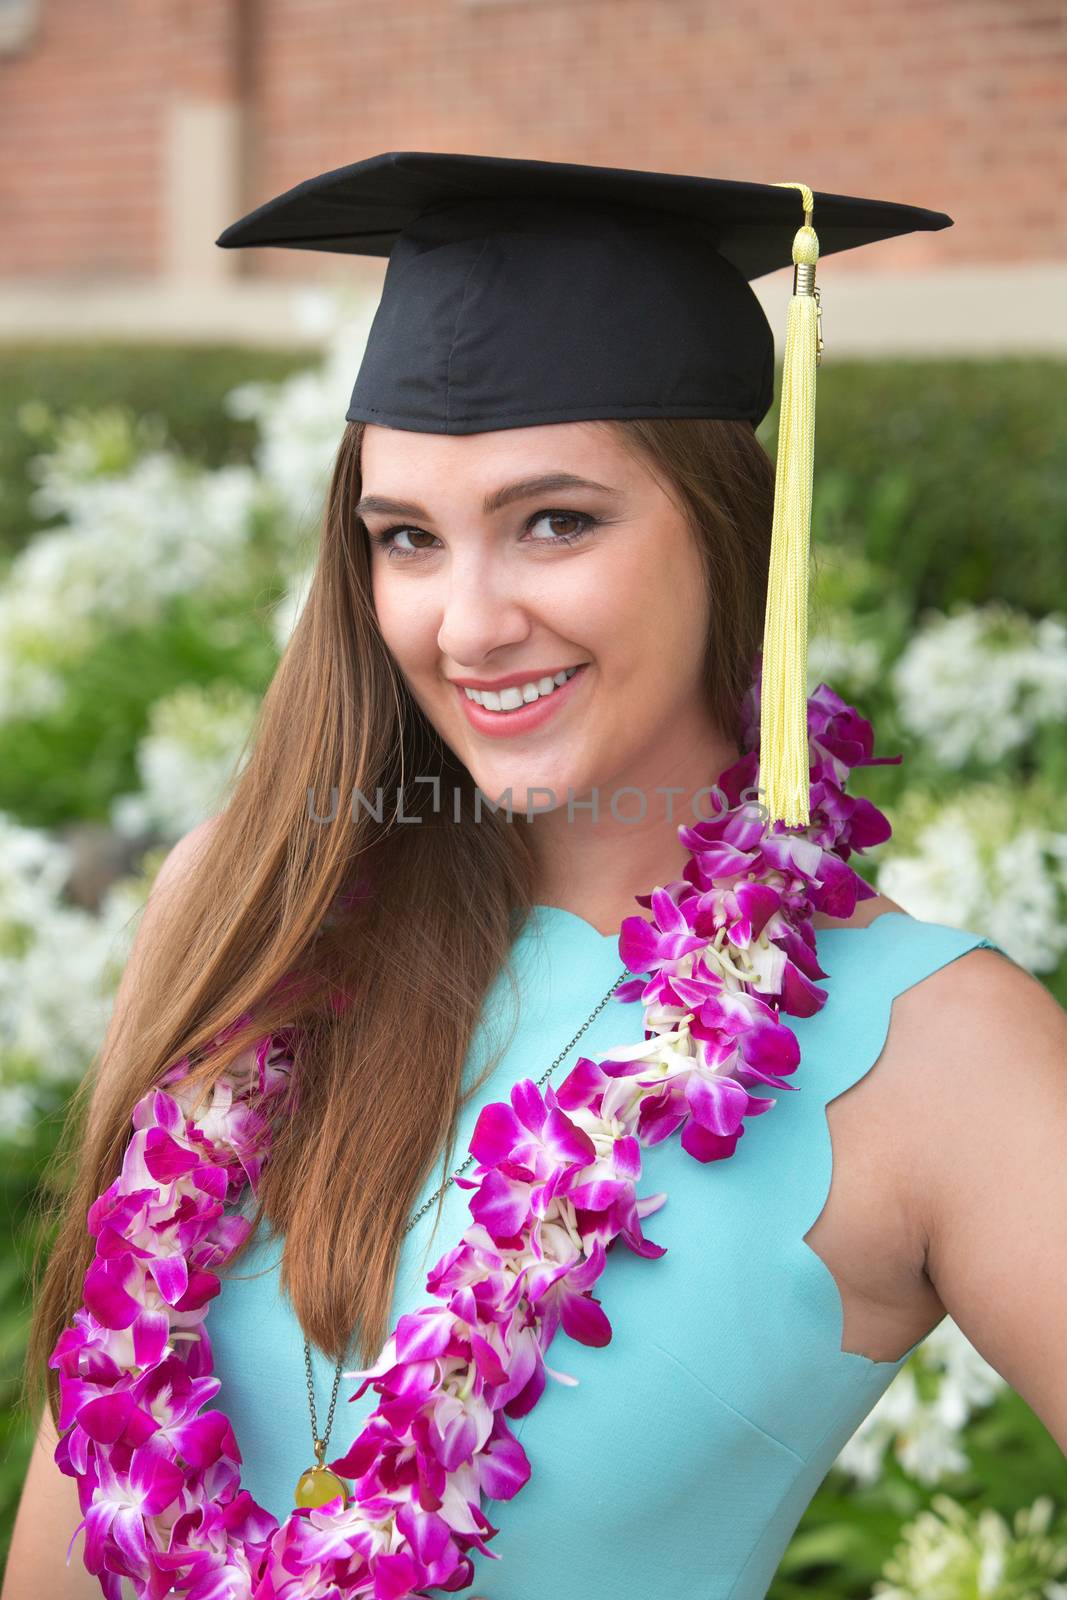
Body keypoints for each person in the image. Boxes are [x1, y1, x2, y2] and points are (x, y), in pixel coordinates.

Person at [6, 154, 1065, 1600]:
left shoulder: (937, 1056)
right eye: (406, 541)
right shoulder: (251, 904)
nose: (469, 621)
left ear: (727, 529)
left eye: (556, 520)